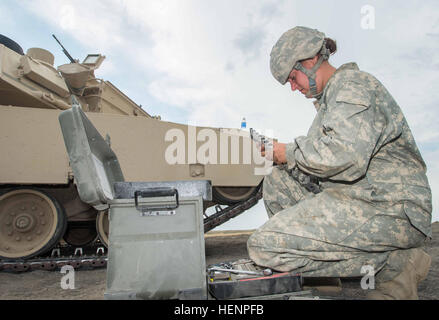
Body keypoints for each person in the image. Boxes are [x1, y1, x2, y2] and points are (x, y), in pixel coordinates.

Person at [247, 26, 432, 300]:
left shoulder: (353, 86)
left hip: (392, 206)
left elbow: (346, 157)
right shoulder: (330, 103)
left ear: (308, 60)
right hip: (359, 198)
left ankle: (391, 263)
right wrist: (282, 159)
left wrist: (289, 152)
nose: (293, 87)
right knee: (277, 181)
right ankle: (341, 278)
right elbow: (324, 168)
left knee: (265, 246)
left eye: (293, 78)